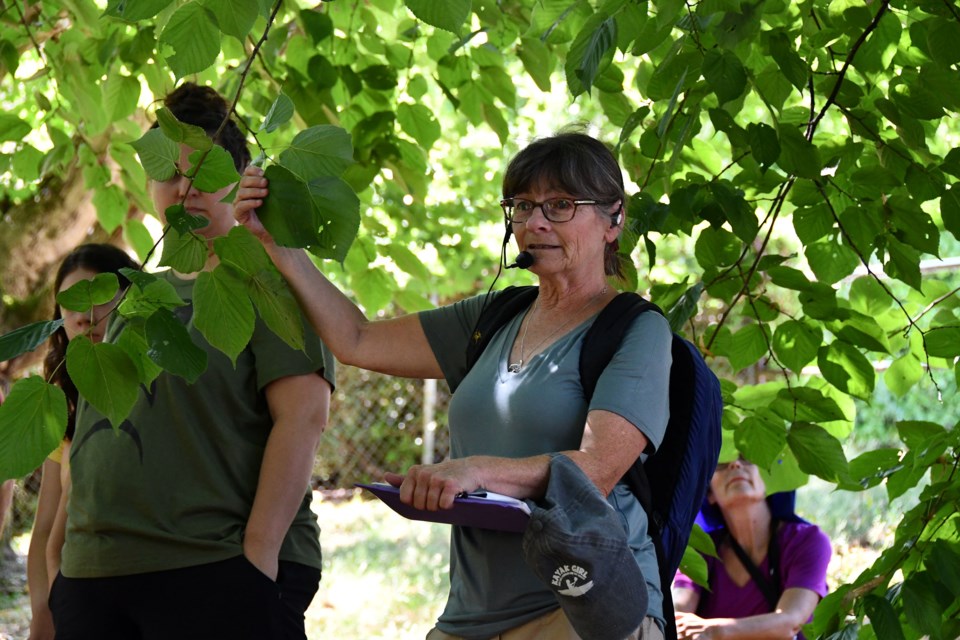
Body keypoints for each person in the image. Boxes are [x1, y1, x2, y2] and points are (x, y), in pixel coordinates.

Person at [235, 131, 672, 639]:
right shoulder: (494, 316)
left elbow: (594, 471)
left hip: (584, 608)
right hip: (473, 613)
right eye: (522, 205)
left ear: (613, 219)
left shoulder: (636, 329)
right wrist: (280, 246)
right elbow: (356, 339)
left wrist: (472, 472)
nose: (534, 223)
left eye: (560, 205)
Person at [50, 83, 336, 640]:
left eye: (204, 171)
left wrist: (257, 557)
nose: (184, 189)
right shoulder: (134, 297)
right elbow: (93, 435)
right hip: (94, 577)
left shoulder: (270, 281)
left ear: (244, 176)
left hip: (215, 566)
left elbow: (303, 418)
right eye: (168, 175)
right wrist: (61, 564)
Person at [28, 243, 140, 640]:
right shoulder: (63, 403)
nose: (82, 315)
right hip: (78, 592)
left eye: (97, 296)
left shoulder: (161, 386)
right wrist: (44, 609)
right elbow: (43, 530)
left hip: (152, 585)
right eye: (71, 302)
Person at [672, 457, 832, 640]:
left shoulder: (805, 541)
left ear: (771, 479)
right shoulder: (703, 549)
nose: (735, 464)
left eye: (747, 458)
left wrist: (712, 630)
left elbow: (790, 621)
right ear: (710, 493)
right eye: (722, 462)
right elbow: (678, 611)